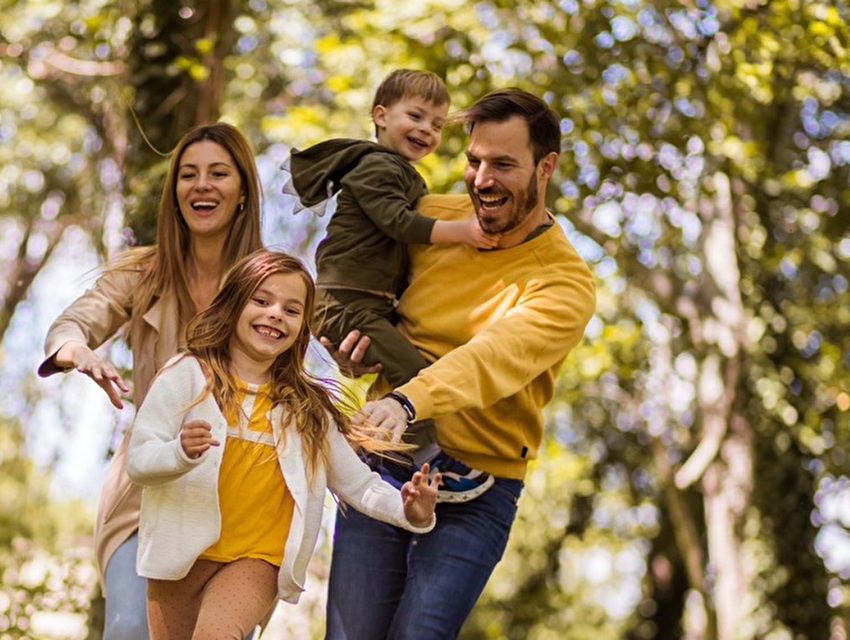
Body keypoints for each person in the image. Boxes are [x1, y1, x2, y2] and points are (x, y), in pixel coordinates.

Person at [322, 88, 599, 639]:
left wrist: (408, 400)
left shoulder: (564, 283)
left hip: (478, 488)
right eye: (473, 161)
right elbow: (357, 277)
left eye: (503, 165)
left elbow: (492, 358)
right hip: (384, 458)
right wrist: (347, 344)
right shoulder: (428, 222)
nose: (481, 179)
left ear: (546, 168)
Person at [126, 250, 440, 640]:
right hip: (178, 557)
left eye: (292, 310)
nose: (276, 313)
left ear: (301, 328)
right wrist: (179, 453)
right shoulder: (186, 376)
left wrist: (412, 512)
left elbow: (359, 484)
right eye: (262, 300)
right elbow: (139, 461)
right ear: (234, 303)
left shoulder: (307, 410)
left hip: (257, 560)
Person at [37, 122, 268, 639]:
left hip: (235, 502)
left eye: (217, 174)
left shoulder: (269, 284)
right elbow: (75, 321)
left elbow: (316, 353)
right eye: (188, 175)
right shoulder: (143, 274)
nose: (201, 186)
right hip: (147, 490)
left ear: (243, 192)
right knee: (129, 627)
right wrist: (74, 349)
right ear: (175, 193)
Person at [288, 69, 496, 415]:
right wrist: (463, 231)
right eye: (415, 116)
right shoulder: (377, 167)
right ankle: (417, 455)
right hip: (345, 303)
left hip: (366, 304)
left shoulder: (399, 171)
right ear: (381, 116)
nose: (426, 130)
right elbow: (397, 222)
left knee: (413, 369)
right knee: (416, 380)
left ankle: (393, 450)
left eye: (437, 125)